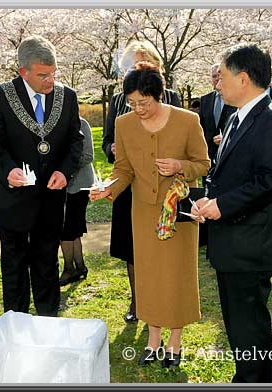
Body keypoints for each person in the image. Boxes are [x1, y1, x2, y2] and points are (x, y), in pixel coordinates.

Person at [91, 62, 210, 368]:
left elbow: (203, 163)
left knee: (177, 274)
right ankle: (153, 338)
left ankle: (175, 341)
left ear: (159, 95)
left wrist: (179, 166)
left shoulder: (188, 120)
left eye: (143, 102)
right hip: (142, 213)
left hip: (178, 212)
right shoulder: (123, 124)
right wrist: (109, 189)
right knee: (149, 275)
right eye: (132, 103)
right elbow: (124, 170)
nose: (138, 109)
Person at [192, 43, 272, 382]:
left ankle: (255, 380)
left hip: (253, 243)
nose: (217, 84)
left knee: (249, 324)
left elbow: (270, 182)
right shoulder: (236, 117)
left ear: (244, 79)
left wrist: (222, 205)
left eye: (222, 77)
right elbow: (227, 176)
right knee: (238, 322)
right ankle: (246, 377)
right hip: (233, 241)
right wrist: (205, 200)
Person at [0, 35, 83, 316]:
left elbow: (76, 141)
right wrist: (8, 169)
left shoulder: (67, 96)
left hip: (50, 200)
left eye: (53, 73)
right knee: (13, 266)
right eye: (42, 75)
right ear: (22, 71)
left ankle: (48, 322)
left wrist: (64, 171)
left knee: (47, 262)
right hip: (11, 200)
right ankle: (17, 326)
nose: (50, 81)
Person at [102, 39, 182, 323]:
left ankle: (164, 300)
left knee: (163, 247)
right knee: (132, 248)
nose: (132, 70)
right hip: (128, 188)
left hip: (162, 188)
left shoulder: (171, 98)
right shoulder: (117, 100)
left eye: (138, 64)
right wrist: (112, 148)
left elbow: (181, 142)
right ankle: (137, 300)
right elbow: (108, 139)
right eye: (128, 67)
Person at [59, 117, 95, 286]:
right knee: (68, 229)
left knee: (69, 229)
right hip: (59, 184)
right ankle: (78, 266)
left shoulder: (82, 123)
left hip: (79, 184)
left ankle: (70, 269)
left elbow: (88, 155)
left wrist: (64, 169)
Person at [199, 64, 236, 167]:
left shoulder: (234, 99)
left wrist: (226, 138)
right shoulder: (205, 99)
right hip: (209, 154)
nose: (216, 79)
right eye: (213, 76)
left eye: (219, 76)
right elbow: (201, 127)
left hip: (229, 153)